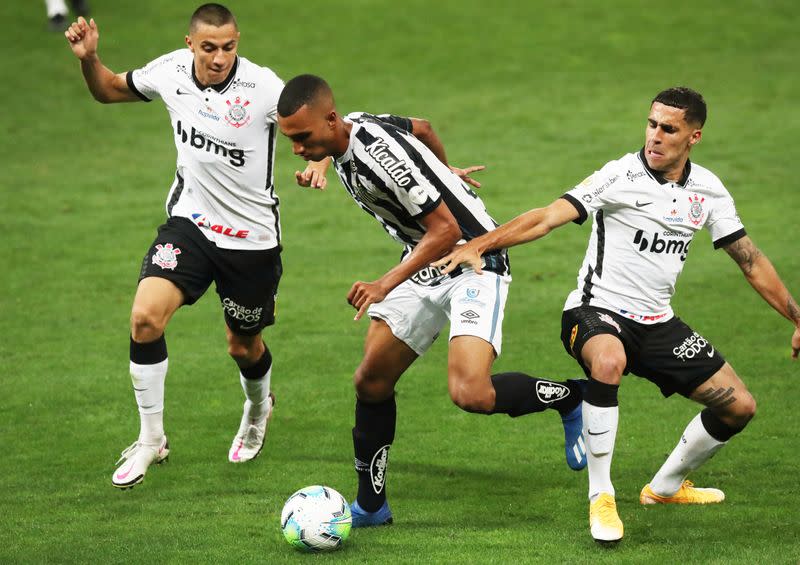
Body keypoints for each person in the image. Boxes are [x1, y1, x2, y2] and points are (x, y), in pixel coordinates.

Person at [434, 86, 800, 542]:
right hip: (594, 312)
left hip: (658, 324)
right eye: (652, 124)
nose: (655, 136)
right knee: (608, 363)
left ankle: (664, 488)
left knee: (739, 407)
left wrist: (797, 317)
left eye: (669, 129)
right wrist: (480, 244)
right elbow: (548, 216)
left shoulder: (707, 190)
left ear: (694, 137)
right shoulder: (619, 175)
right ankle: (601, 497)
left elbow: (750, 259)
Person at [276, 74, 588, 528]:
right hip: (424, 263)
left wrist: (384, 283)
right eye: (290, 140)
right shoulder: (354, 126)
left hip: (475, 259)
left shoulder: (377, 160)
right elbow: (420, 127)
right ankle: (371, 505)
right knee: (371, 381)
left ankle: (569, 396)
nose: (297, 148)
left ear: (329, 119)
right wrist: (441, 173)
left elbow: (445, 230)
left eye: (302, 138)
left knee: (471, 393)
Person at [64, 4, 327, 489]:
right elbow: (108, 89)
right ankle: (151, 440)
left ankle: (257, 405)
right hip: (191, 225)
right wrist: (89, 58)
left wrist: (318, 166)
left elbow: (323, 126)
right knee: (145, 318)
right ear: (190, 44)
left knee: (242, 345)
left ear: (237, 42)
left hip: (251, 240)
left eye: (229, 47)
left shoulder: (264, 87)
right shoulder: (168, 72)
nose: (220, 57)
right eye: (209, 48)